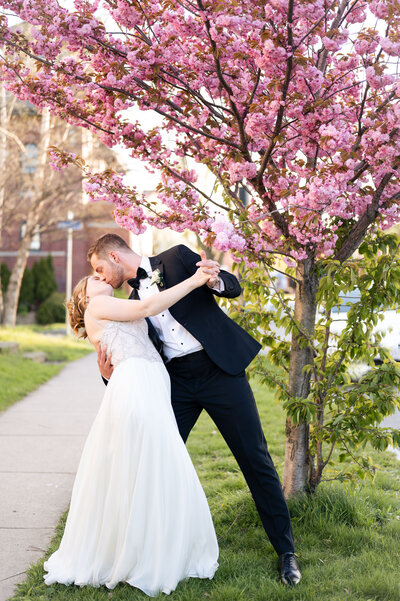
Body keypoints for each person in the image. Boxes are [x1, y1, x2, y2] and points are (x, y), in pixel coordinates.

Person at [89, 234, 301, 586]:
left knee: (255, 458)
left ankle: (287, 553)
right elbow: (131, 355)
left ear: (113, 255)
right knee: (155, 463)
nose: (101, 277)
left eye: (99, 268)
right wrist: (106, 375)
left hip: (220, 372)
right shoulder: (129, 302)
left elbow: (232, 286)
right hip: (177, 384)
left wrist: (216, 278)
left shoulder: (175, 257)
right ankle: (149, 554)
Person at [43, 267, 219, 596]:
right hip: (136, 387)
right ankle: (138, 554)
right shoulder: (97, 307)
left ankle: (151, 547)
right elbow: (144, 309)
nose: (103, 278)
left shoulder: (113, 306)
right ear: (84, 296)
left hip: (151, 384)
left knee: (153, 466)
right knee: (148, 464)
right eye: (94, 278)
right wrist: (194, 281)